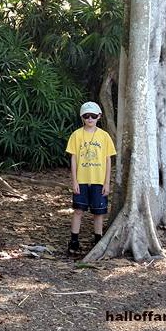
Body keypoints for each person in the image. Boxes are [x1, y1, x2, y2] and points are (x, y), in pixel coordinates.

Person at [65, 101, 116, 255]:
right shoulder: (76, 135)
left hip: (98, 180)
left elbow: (108, 160)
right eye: (86, 116)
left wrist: (107, 182)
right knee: (78, 210)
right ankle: (74, 240)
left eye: (93, 116)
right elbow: (73, 159)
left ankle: (98, 240)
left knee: (98, 212)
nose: (90, 118)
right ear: (82, 117)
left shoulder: (104, 136)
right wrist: (74, 180)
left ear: (99, 116)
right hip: (81, 180)